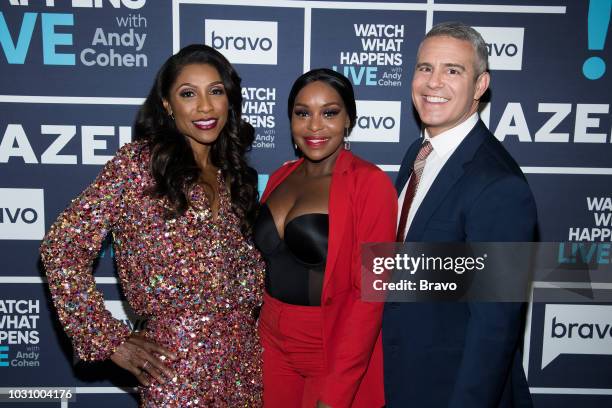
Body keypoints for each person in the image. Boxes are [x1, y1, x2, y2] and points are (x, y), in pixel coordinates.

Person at [40, 44, 264, 407]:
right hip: (175, 369)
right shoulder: (139, 166)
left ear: (229, 100)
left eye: (216, 91)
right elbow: (62, 246)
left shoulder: (233, 177)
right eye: (188, 94)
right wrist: (108, 338)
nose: (205, 107)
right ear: (167, 104)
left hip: (245, 368)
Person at [382, 22, 537, 407]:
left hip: (450, 390)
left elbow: (495, 328)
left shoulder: (499, 184)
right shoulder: (418, 154)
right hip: (402, 378)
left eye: (453, 70)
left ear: (480, 85)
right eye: (425, 68)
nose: (434, 82)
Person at [253, 68, 397, 408]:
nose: (314, 126)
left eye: (329, 113)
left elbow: (370, 296)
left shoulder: (371, 184)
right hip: (271, 340)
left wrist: (337, 391)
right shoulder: (280, 176)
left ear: (348, 119)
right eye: (302, 113)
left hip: (329, 346)